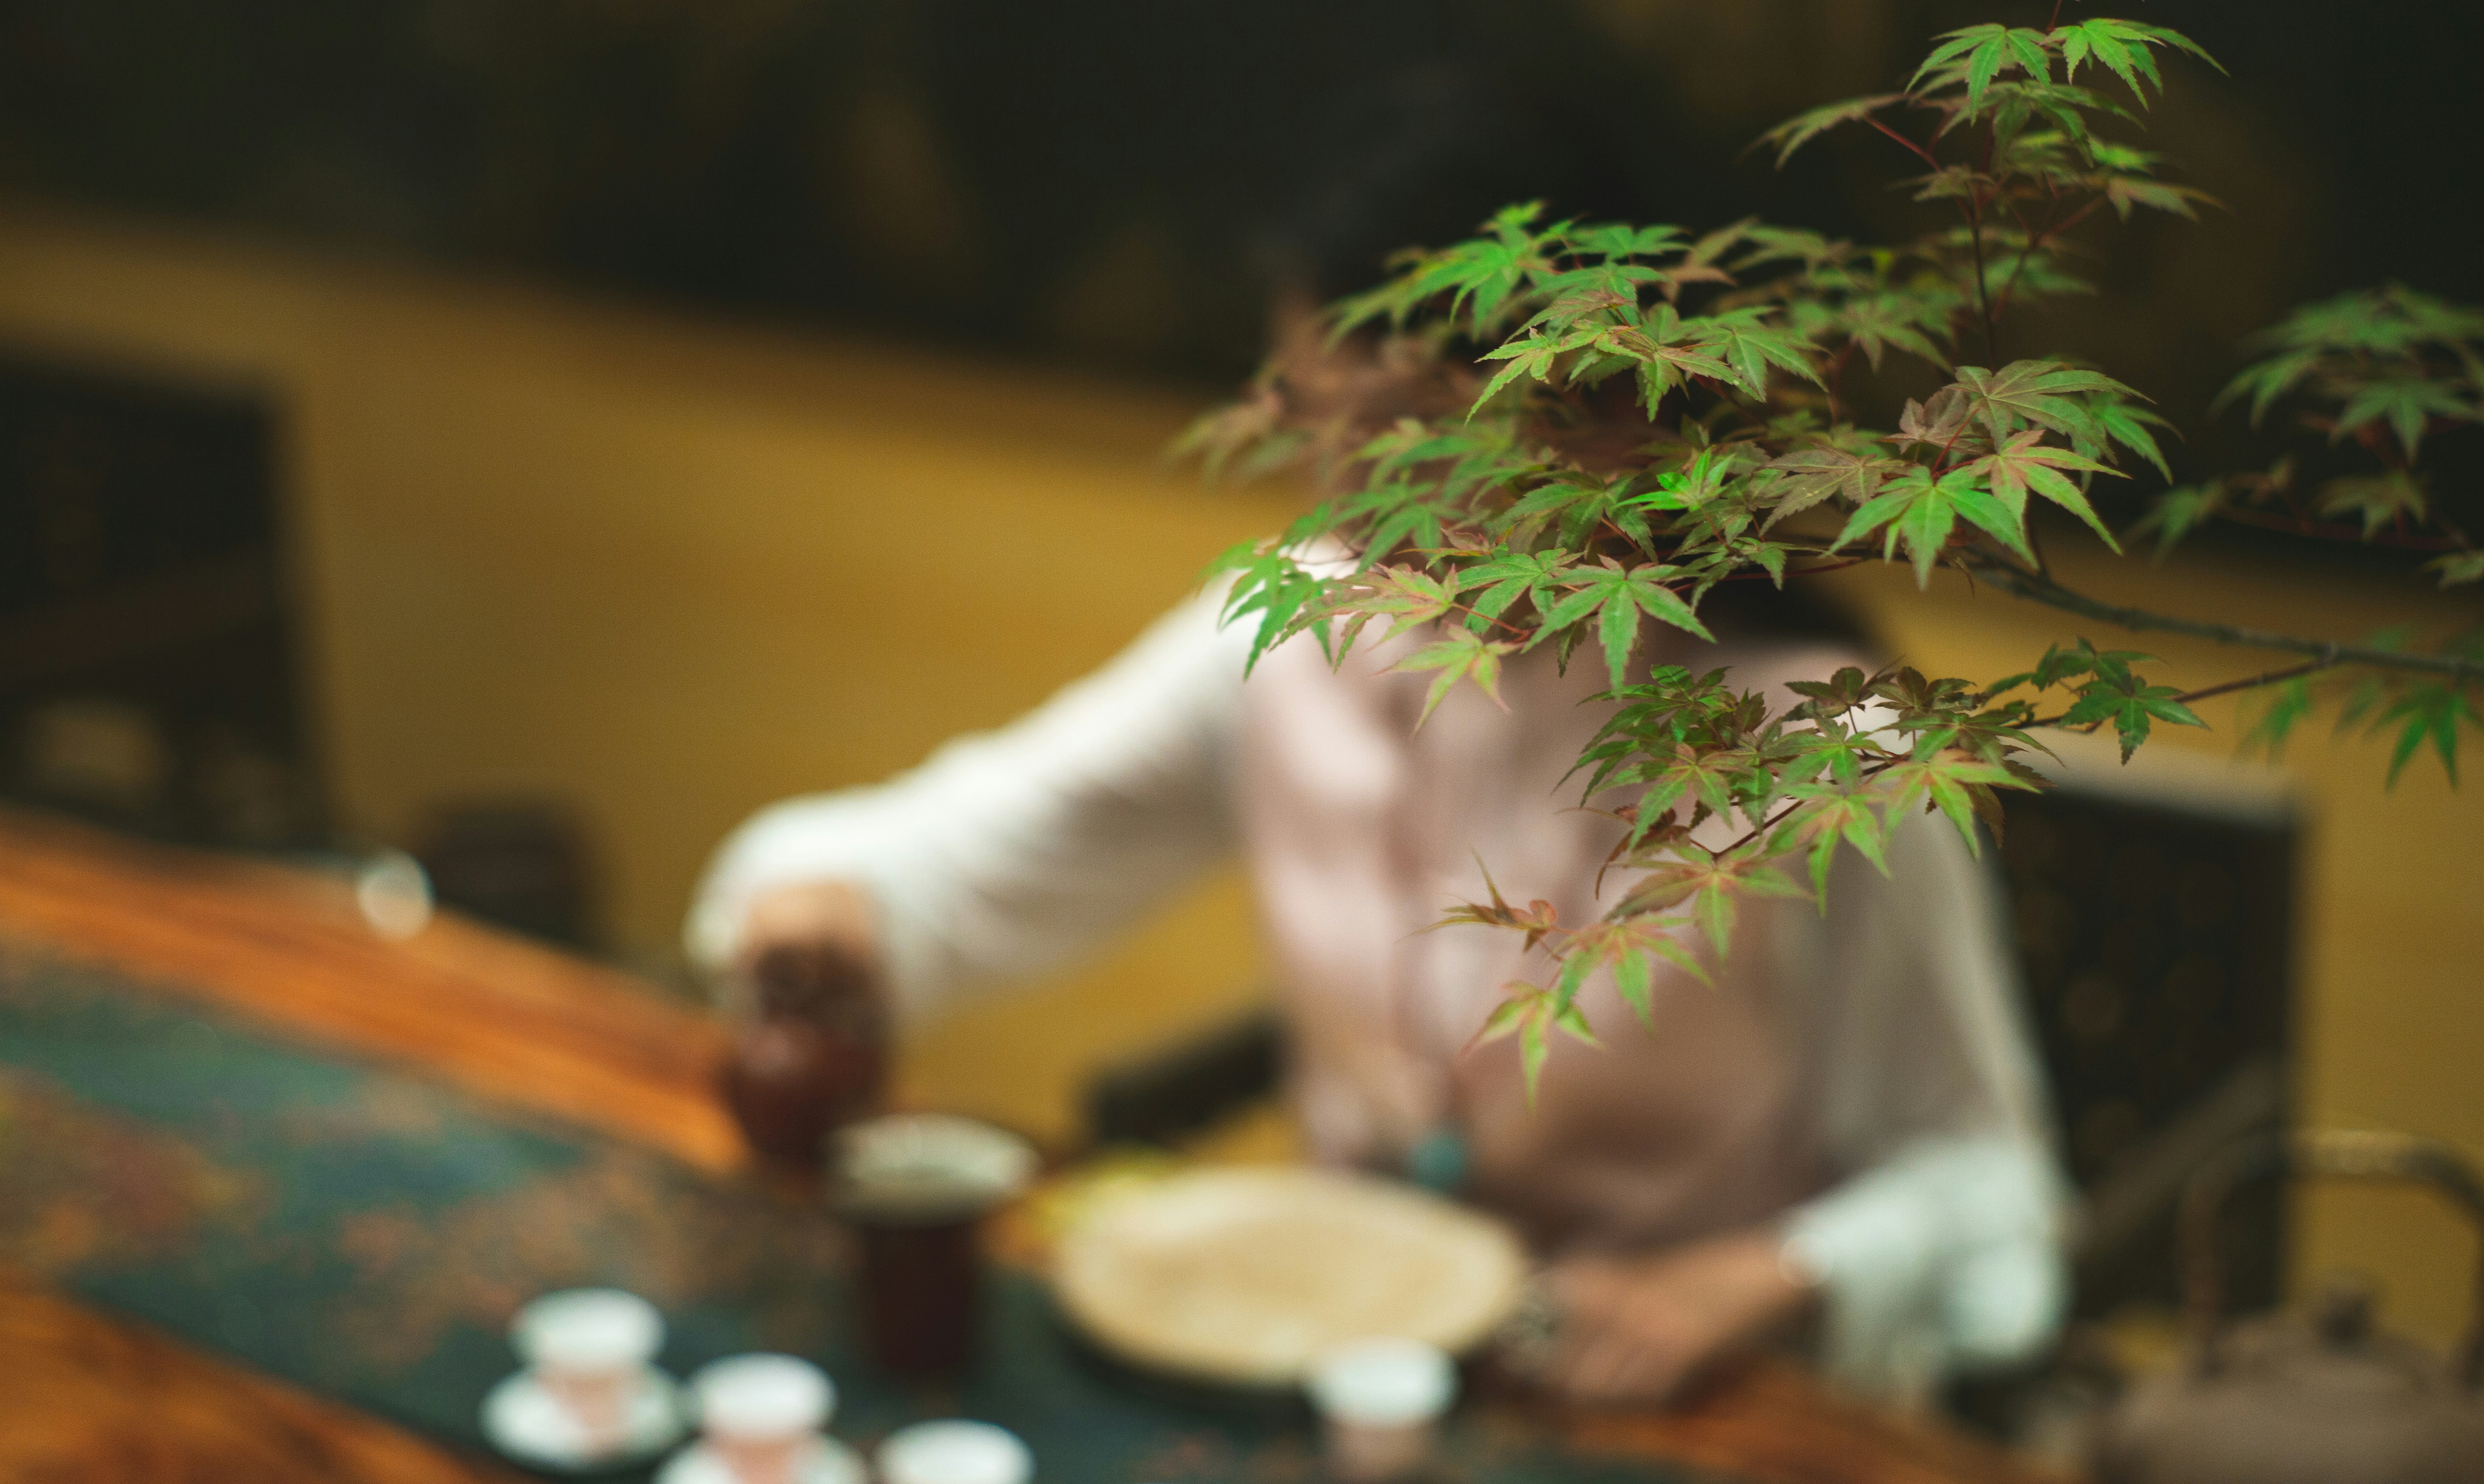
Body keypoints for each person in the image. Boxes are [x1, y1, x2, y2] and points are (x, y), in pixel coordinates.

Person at [688, 553, 2069, 1409]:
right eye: (1315, 423)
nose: (1353, 498)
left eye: (1406, 429)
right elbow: (953, 850)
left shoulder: (1832, 742)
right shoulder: (1294, 629)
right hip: (1330, 1358)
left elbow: (1987, 1183)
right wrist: (823, 904)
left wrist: (1762, 1275)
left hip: (1682, 1402)